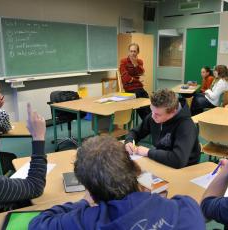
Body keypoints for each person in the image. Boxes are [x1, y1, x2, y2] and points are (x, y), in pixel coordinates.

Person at [29, 136, 205, 230]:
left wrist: (83, 202)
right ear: (135, 168)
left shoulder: (86, 220)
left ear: (90, 190)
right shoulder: (186, 207)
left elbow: (37, 224)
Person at [124, 89, 201, 169]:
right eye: (152, 110)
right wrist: (129, 141)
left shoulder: (186, 126)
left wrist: (148, 152)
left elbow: (178, 160)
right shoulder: (155, 115)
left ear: (173, 112)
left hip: (185, 169)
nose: (153, 116)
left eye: (158, 114)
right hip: (161, 161)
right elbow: (135, 132)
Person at [119, 43, 151, 120]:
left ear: (137, 52)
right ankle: (148, 123)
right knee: (142, 106)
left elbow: (141, 72)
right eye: (131, 51)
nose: (133, 53)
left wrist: (135, 64)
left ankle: (150, 122)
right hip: (129, 88)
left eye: (134, 51)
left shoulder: (139, 61)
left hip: (139, 88)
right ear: (129, 52)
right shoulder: (123, 61)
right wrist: (137, 80)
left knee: (147, 103)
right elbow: (125, 78)